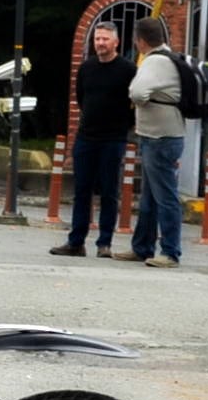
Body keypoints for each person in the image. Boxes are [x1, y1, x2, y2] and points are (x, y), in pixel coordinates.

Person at [50, 22, 134, 259]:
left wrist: (123, 126)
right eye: (97, 39)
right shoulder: (87, 68)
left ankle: (104, 243)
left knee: (109, 191)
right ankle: (76, 241)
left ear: (116, 42)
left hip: (113, 139)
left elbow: (133, 103)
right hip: (86, 137)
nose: (100, 43)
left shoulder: (127, 69)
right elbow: (80, 98)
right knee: (81, 190)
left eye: (105, 39)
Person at [127, 15, 187, 268]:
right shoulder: (170, 57)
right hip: (167, 134)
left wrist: (139, 102)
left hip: (159, 137)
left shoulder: (155, 62)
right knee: (150, 198)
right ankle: (142, 247)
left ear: (140, 41)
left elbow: (137, 92)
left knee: (165, 197)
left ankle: (170, 252)